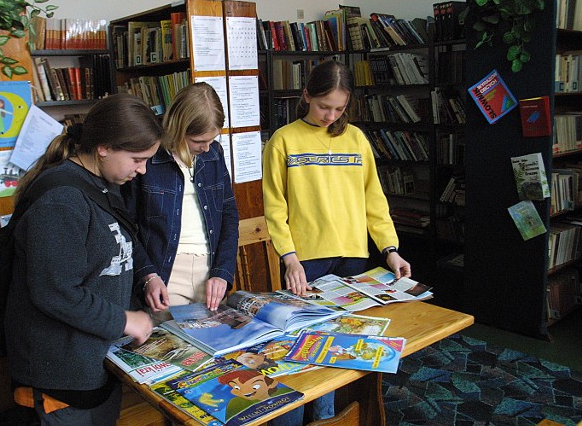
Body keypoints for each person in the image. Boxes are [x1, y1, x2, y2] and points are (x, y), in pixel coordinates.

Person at [262, 59, 412, 425]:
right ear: (306, 96)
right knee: (301, 347)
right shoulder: (283, 141)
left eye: (339, 109)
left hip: (352, 258)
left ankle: (334, 418)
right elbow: (274, 208)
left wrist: (389, 250)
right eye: (323, 106)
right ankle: (299, 416)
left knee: (342, 345)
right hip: (306, 260)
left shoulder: (357, 139)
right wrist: (289, 258)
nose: (330, 115)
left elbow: (374, 200)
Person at [4, 94, 163, 426]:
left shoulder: (103, 183)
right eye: (137, 158)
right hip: (61, 375)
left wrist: (144, 277)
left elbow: (111, 253)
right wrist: (126, 321)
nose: (142, 169)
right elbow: (55, 291)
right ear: (103, 147)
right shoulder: (61, 200)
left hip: (96, 361)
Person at [124, 82, 239, 317]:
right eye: (199, 142)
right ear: (178, 128)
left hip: (210, 272)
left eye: (212, 140)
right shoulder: (147, 159)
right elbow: (126, 227)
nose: (207, 148)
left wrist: (223, 271)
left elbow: (229, 214)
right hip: (166, 274)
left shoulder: (214, 154)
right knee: (173, 347)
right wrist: (148, 275)